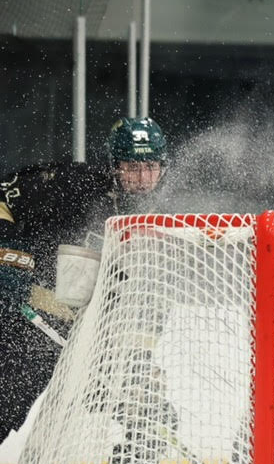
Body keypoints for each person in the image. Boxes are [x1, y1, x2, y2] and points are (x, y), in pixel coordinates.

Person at [0, 116, 167, 445]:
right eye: (132, 168)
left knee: (153, 420)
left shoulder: (160, 220)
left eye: (151, 166)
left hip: (75, 336)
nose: (143, 178)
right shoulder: (75, 184)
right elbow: (3, 195)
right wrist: (7, 252)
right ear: (114, 165)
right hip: (21, 318)